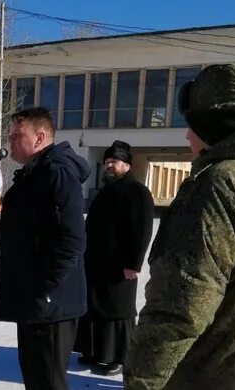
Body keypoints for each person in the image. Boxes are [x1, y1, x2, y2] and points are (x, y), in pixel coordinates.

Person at [124, 64, 235, 389]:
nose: (187, 135)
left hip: (216, 375)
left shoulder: (221, 183)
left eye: (191, 125)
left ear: (210, 125)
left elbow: (180, 308)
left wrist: (142, 382)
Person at [0, 107, 90, 390]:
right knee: (36, 379)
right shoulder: (34, 174)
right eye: (10, 135)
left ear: (39, 137)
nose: (10, 141)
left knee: (48, 382)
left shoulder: (56, 175)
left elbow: (70, 241)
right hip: (35, 300)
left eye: (17, 135)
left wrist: (45, 289)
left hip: (50, 304)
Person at [74, 141, 154, 376]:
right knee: (94, 306)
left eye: (114, 162)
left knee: (118, 310)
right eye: (107, 162)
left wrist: (133, 264)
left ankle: (120, 357)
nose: (109, 166)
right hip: (95, 262)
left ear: (127, 165)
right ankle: (93, 352)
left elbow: (142, 231)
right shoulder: (105, 191)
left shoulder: (137, 191)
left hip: (121, 266)